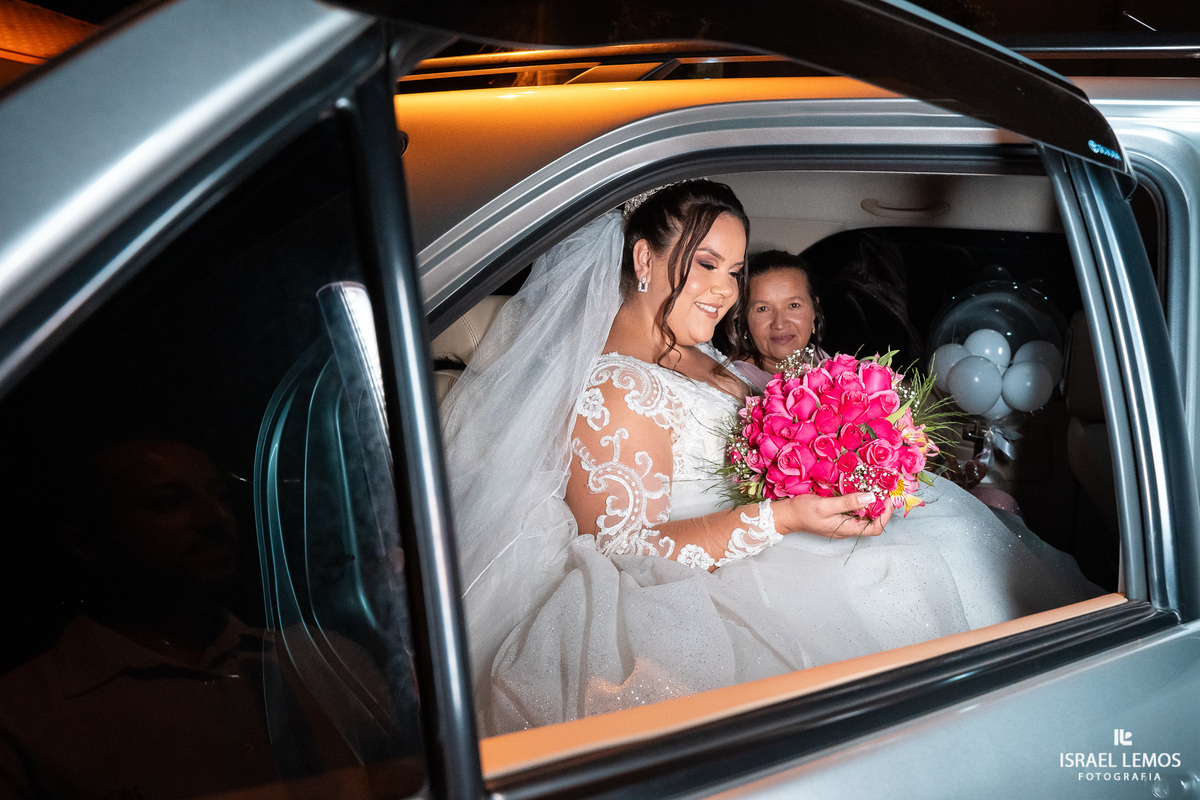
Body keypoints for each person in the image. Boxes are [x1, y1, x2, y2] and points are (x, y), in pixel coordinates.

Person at [441, 180, 1101, 737]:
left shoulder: (698, 352)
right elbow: (625, 549)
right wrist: (781, 518)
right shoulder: (613, 388)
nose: (723, 291)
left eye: (733, 272)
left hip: (776, 528)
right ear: (643, 257)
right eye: (705, 264)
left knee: (952, 540)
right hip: (702, 584)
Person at [0, 438, 418, 800]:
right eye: (169, 501)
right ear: (87, 540)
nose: (214, 518)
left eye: (220, 496)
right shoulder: (23, 717)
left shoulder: (328, 661)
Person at [724, 249, 827, 391]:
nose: (779, 324)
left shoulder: (817, 357)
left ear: (813, 310)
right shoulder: (737, 383)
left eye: (793, 305)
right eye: (763, 309)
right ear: (744, 318)